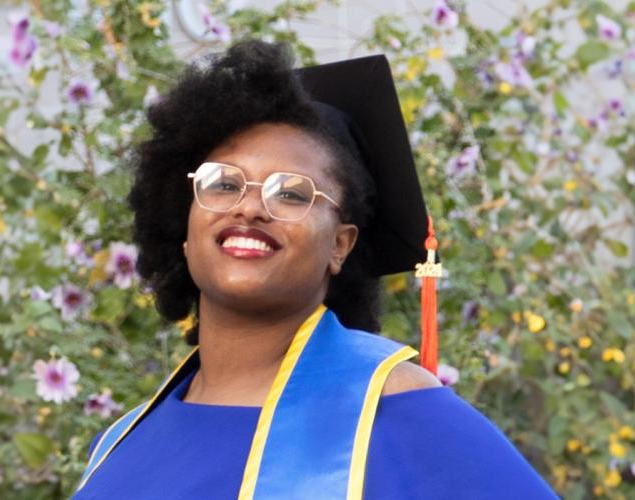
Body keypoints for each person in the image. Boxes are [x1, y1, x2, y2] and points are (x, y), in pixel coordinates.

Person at [73, 40, 557, 499]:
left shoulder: (398, 411)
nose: (249, 208)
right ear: (185, 221)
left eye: (291, 193)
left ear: (340, 246)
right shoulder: (120, 440)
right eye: (223, 184)